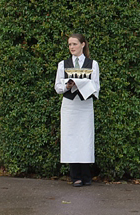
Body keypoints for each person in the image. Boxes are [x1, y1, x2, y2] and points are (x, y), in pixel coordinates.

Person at [54, 33, 100, 187]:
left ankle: (87, 175)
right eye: (69, 45)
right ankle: (75, 176)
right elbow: (57, 87)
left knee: (85, 138)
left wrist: (84, 85)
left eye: (74, 44)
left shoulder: (93, 64)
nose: (71, 47)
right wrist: (67, 86)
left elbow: (96, 86)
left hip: (85, 105)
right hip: (70, 106)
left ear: (83, 44)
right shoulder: (63, 64)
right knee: (71, 138)